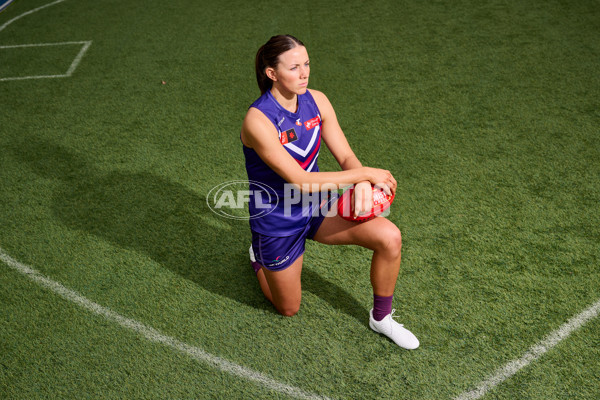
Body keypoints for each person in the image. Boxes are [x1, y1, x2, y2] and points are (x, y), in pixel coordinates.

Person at [241, 35, 419, 350]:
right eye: (294, 67)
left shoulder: (317, 101)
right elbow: (299, 179)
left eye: (306, 64)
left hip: (317, 206)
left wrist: (362, 183)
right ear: (272, 73)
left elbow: (347, 156)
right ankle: (259, 257)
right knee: (288, 308)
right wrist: (365, 174)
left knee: (390, 237)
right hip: (278, 218)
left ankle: (382, 318)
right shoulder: (258, 121)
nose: (304, 73)